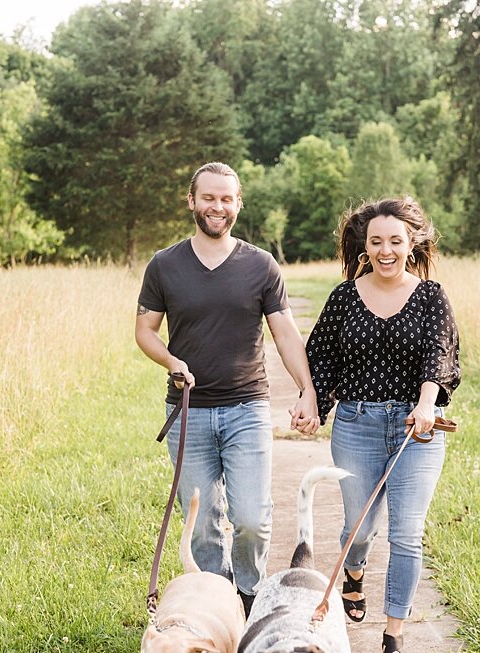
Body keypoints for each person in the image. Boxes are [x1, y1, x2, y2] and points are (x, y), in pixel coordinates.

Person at [135, 161, 320, 617]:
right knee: (203, 529)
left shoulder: (260, 265)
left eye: (226, 199)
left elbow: (285, 333)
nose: (217, 206)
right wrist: (172, 361)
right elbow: (145, 332)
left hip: (247, 408)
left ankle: (250, 596)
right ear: (192, 201)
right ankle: (217, 606)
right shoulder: (164, 265)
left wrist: (307, 390)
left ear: (238, 204)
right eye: (208, 197)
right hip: (188, 411)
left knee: (252, 520)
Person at [300, 197, 460, 653]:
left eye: (395, 240)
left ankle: (394, 633)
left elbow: (440, 355)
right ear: (363, 246)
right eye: (376, 241)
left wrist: (427, 403)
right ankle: (354, 573)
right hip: (357, 424)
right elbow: (322, 359)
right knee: (360, 527)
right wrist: (312, 405)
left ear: (412, 244)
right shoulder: (345, 296)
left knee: (407, 533)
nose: (385, 250)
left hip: (418, 429)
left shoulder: (431, 296)